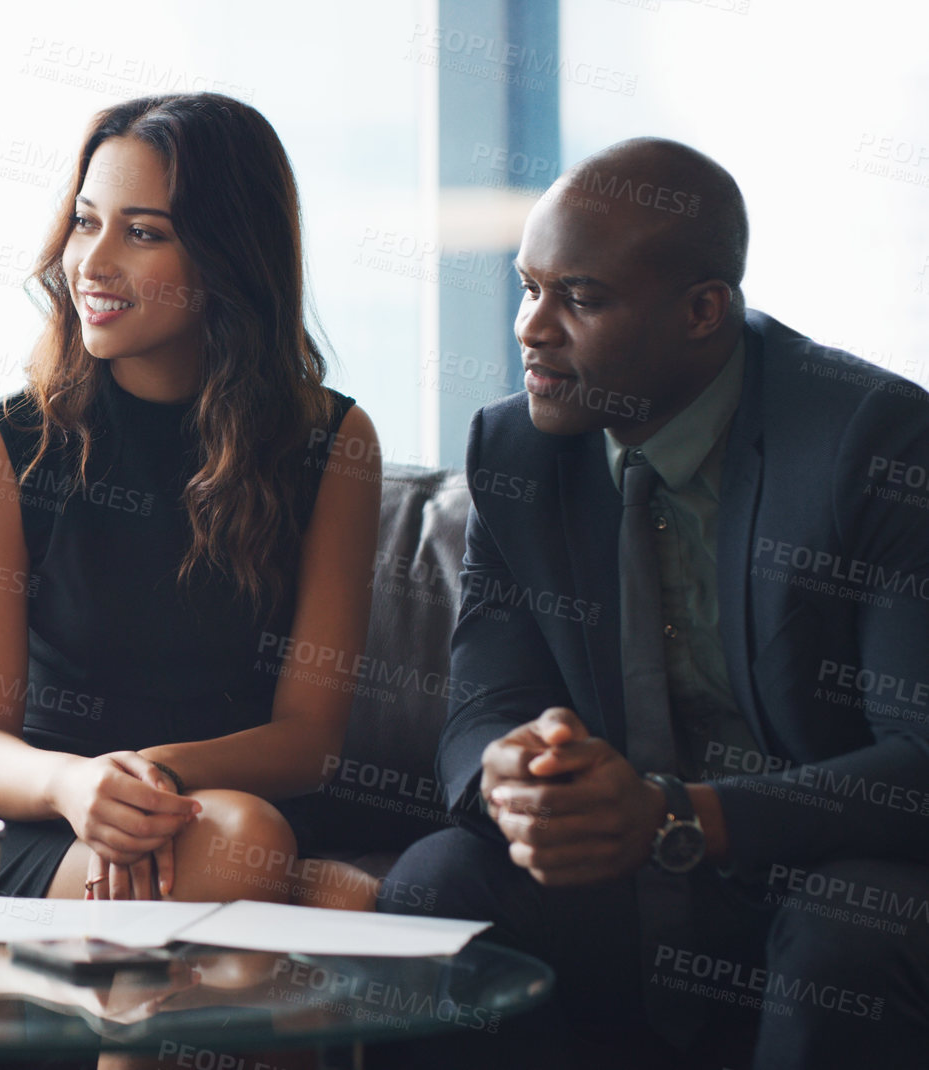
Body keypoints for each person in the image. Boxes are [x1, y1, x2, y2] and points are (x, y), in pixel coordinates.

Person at [378, 138, 929, 1069]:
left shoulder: (869, 441)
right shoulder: (516, 451)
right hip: (621, 881)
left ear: (703, 310)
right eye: (528, 287)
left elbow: (917, 760)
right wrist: (513, 779)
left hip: (813, 868)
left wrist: (680, 817)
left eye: (578, 298)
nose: (531, 329)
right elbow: (480, 710)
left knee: (848, 930)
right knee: (436, 885)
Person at [0, 93, 382, 911]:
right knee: (269, 870)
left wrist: (157, 775)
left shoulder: (333, 441)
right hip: (50, 822)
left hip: (234, 807)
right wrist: (80, 787)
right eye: (84, 221)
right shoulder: (4, 445)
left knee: (272, 859)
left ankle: (127, 1037)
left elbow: (308, 741)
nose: (91, 262)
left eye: (142, 232)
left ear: (228, 256)